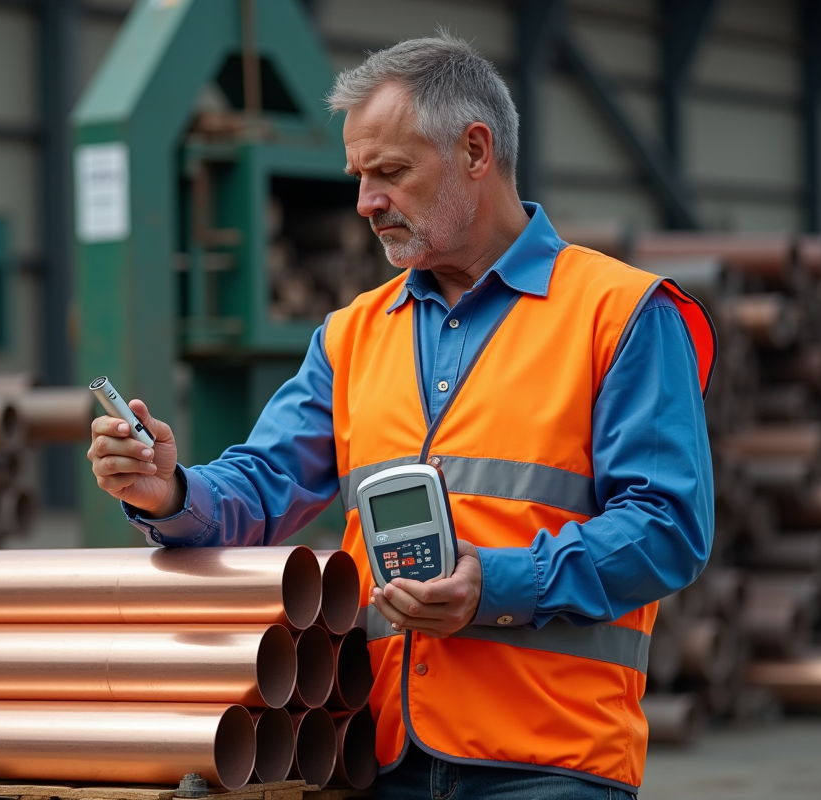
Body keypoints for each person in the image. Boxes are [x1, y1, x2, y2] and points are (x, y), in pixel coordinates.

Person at [88, 35, 715, 799]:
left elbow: (668, 528)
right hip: (383, 760)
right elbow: (262, 487)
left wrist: (500, 584)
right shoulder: (352, 335)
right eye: (359, 176)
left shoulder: (619, 315)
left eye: (390, 172)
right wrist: (172, 493)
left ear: (476, 151)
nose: (365, 203)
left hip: (549, 765)